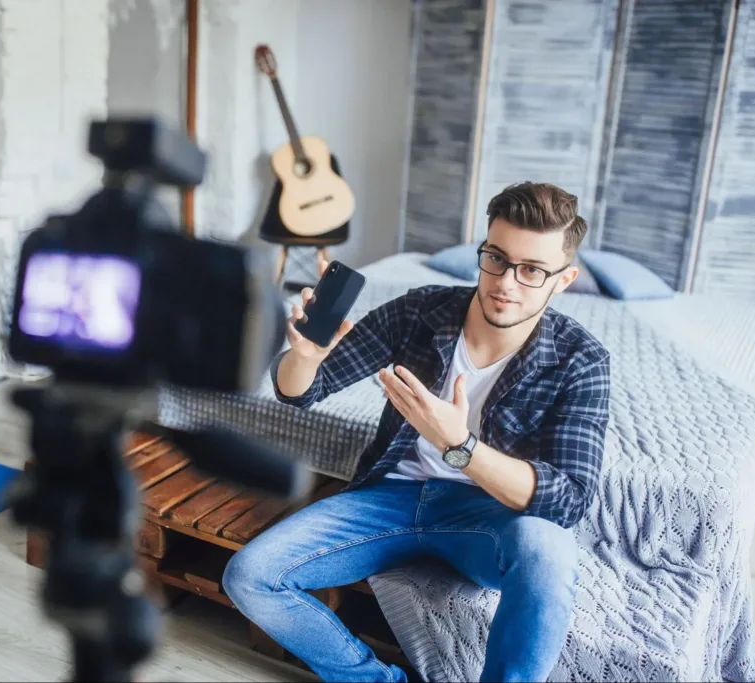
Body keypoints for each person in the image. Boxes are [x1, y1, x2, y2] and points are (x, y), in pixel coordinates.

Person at [222, 182, 611, 683]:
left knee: (548, 553)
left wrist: (462, 449)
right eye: (496, 258)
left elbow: (569, 500)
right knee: (250, 576)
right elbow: (298, 392)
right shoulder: (420, 312)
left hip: (488, 515)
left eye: (532, 270)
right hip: (391, 498)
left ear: (564, 280)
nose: (506, 282)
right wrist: (304, 356)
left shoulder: (582, 360)